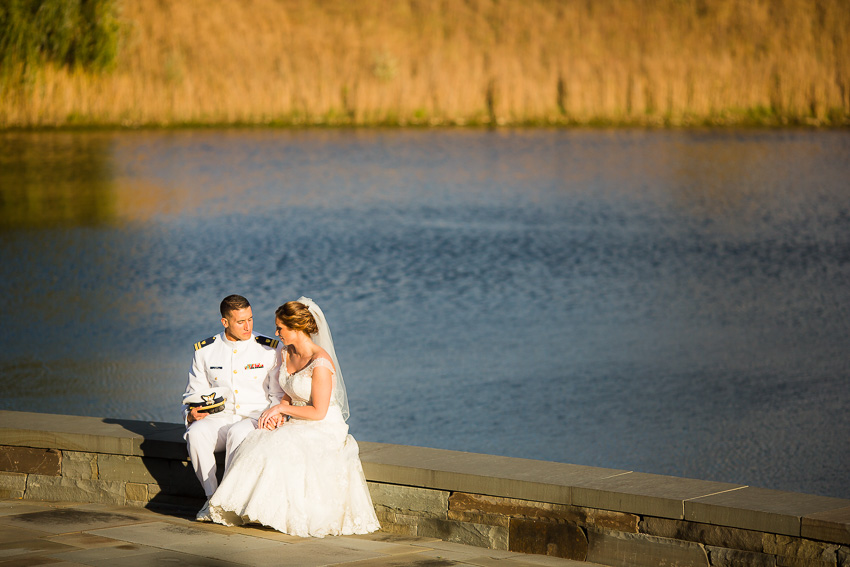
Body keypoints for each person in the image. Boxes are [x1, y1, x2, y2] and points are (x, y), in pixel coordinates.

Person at [208, 297, 380, 537]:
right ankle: (246, 509)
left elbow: (318, 411)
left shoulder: (320, 362)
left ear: (296, 328)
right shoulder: (286, 353)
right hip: (296, 419)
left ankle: (279, 514)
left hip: (322, 425)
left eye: (281, 328)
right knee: (258, 441)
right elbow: (289, 390)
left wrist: (280, 409)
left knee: (282, 448)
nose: (277, 333)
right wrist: (280, 410)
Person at [182, 294, 284, 521]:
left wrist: (275, 414)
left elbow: (277, 394)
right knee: (196, 434)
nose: (248, 326)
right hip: (220, 418)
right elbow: (192, 394)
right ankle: (211, 499)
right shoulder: (205, 350)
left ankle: (228, 502)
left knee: (238, 434)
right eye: (241, 322)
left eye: (250, 319)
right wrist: (191, 414)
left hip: (255, 417)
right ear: (225, 322)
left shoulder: (268, 348)